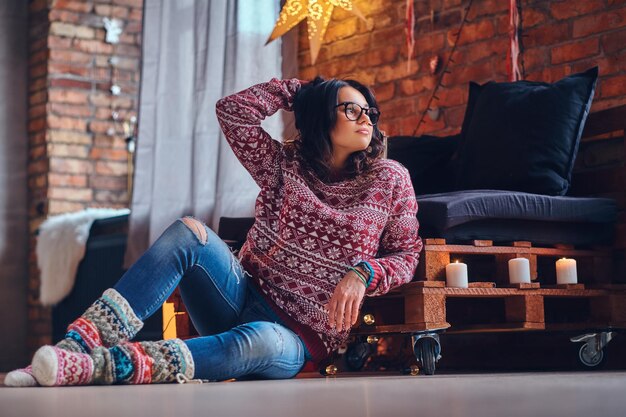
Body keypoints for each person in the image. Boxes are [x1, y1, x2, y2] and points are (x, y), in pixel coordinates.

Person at [5, 77, 422, 387]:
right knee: (189, 232)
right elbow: (233, 111)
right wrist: (304, 90)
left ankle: (99, 367)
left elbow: (406, 254)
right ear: (321, 115)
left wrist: (364, 272)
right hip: (238, 294)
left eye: (368, 111)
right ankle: (73, 349)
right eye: (350, 108)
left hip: (298, 336)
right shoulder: (285, 166)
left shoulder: (389, 179)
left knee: (255, 340)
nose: (364, 117)